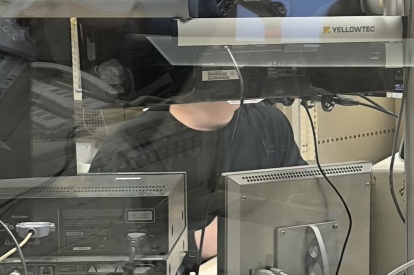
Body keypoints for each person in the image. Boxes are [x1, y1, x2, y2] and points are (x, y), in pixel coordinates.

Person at [89, 100, 304, 261]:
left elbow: (302, 199)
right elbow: (106, 251)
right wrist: (200, 243)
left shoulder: (269, 123)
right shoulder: (128, 150)